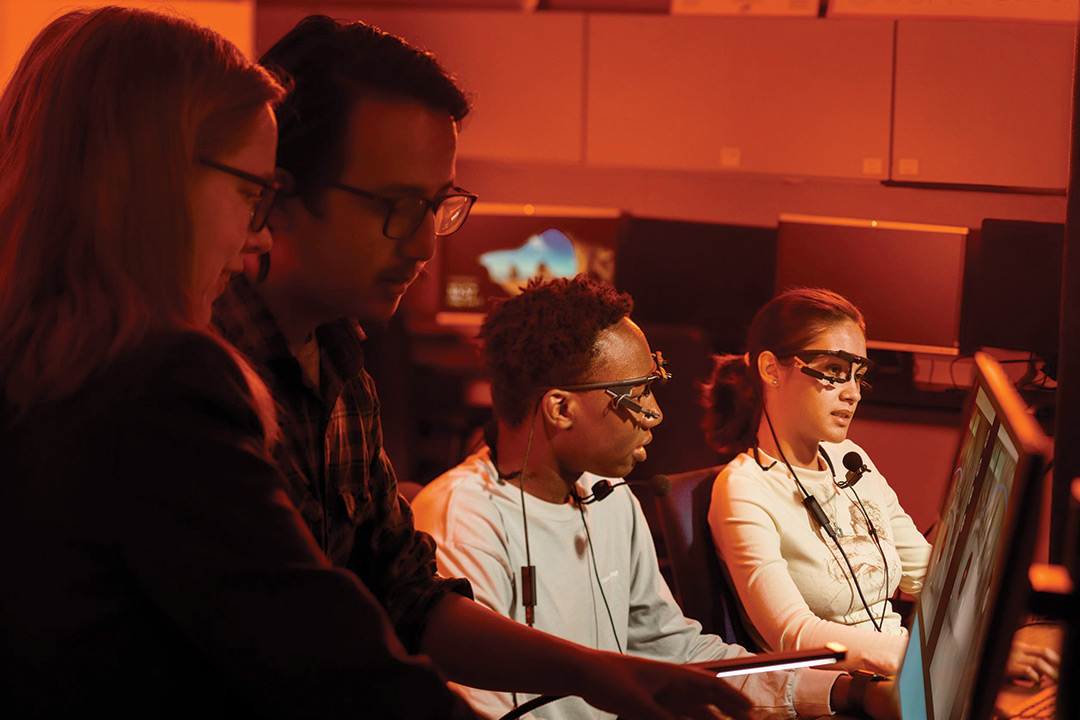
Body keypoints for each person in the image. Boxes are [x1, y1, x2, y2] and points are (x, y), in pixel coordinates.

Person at [213, 15, 753, 720]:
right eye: (397, 207)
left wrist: (600, 674)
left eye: (437, 208)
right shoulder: (204, 380)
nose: (423, 246)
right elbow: (315, 654)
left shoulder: (343, 367)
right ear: (278, 193)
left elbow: (408, 598)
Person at [0, 7, 480, 718]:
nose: (256, 235)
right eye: (250, 194)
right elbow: (338, 670)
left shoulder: (45, 363)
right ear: (159, 180)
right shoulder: (160, 382)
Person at [413, 275, 898, 720]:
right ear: (560, 408)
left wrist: (847, 691)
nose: (655, 414)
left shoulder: (608, 497)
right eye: (636, 395)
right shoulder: (464, 520)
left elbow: (679, 652)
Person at [701, 287, 1059, 682]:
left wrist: (1011, 625)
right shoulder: (744, 489)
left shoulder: (851, 459)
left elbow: (926, 576)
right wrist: (953, 658)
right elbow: (794, 636)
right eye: (834, 372)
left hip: (909, 674)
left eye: (858, 377)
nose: (852, 393)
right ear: (771, 370)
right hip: (845, 695)